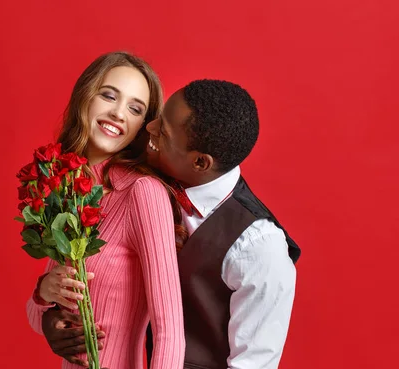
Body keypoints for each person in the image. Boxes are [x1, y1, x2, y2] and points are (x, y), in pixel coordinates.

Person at [41, 79, 301, 369]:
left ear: (200, 163)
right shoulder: (141, 178)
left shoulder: (259, 246)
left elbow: (253, 364)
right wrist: (51, 315)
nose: (148, 128)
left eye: (162, 132)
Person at [25, 52, 185, 369]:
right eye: (109, 95)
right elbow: (36, 318)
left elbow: (170, 331)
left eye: (135, 108)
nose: (118, 113)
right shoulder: (68, 191)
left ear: (143, 126)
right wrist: (44, 295)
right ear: (86, 96)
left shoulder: (143, 192)